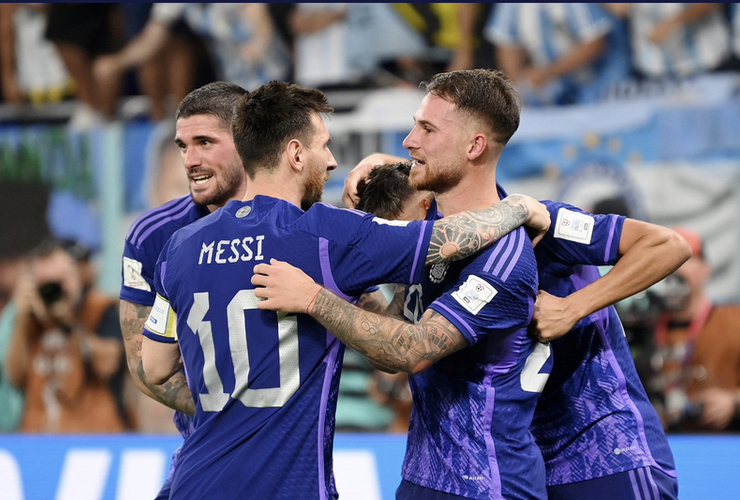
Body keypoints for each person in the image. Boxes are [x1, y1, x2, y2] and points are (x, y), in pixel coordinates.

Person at [259, 69, 692, 499]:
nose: (410, 139)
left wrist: (574, 307)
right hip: (523, 451)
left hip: (603, 446)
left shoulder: (545, 224)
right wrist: (378, 166)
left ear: (475, 145)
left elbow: (667, 246)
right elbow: (430, 186)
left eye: (426, 128)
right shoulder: (438, 225)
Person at [140, 79, 550, 500]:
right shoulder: (324, 236)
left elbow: (154, 368)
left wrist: (229, 411)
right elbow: (447, 239)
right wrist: (520, 206)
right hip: (289, 488)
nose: (333, 161)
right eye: (324, 145)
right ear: (296, 154)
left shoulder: (179, 248)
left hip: (194, 480)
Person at [119, 81, 249, 496]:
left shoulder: (305, 224)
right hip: (203, 457)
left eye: (205, 142)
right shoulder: (153, 237)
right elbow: (145, 366)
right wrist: (232, 413)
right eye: (182, 146)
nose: (189, 160)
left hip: (296, 468)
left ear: (250, 140)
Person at [5, 239, 128, 432]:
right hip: (37, 438)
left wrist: (69, 323)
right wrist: (21, 318)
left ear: (75, 277)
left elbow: (109, 365)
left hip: (92, 439)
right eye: (45, 284)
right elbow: (14, 376)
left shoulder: (99, 309)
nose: (54, 291)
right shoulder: (31, 319)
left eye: (60, 281)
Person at [652, 226, 740, 432]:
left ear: (706, 268)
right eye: (666, 260)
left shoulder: (732, 320)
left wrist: (732, 401)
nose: (677, 269)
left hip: (722, 444)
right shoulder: (645, 327)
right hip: (664, 443)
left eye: (685, 259)